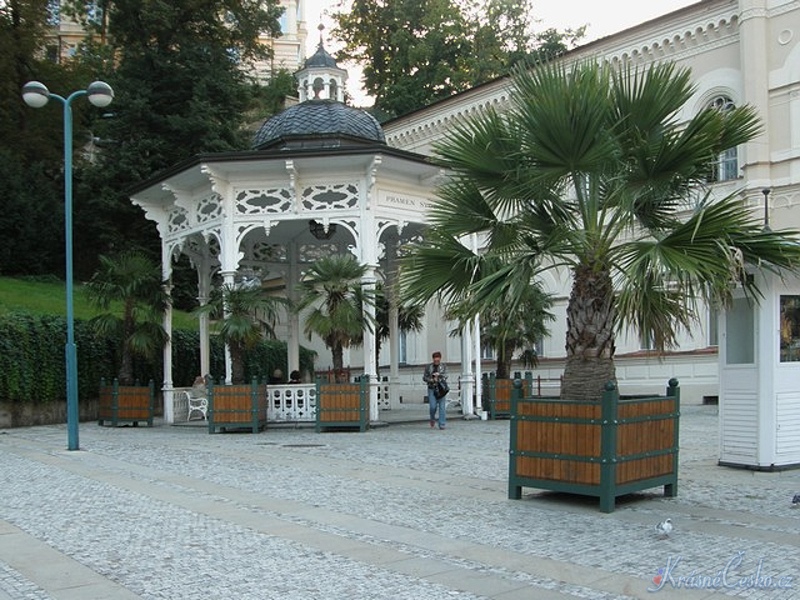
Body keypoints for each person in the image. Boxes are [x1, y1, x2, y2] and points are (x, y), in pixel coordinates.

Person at [423, 351, 448, 430]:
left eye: (438, 360)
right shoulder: (429, 367)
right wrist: (431, 379)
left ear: (440, 359)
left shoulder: (443, 366)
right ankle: (432, 418)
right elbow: (424, 377)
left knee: (442, 407)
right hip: (432, 388)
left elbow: (446, 375)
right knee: (432, 406)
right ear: (433, 359)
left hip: (441, 388)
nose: (436, 361)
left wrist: (439, 376)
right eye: (435, 360)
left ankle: (442, 423)